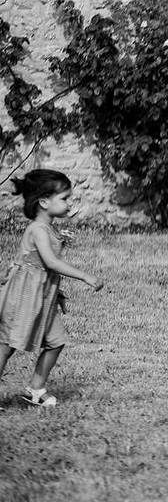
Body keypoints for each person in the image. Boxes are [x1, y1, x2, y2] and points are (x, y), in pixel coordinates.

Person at [0, 169, 102, 408]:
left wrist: (57, 293)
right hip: (24, 296)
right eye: (64, 198)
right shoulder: (37, 229)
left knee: (56, 340)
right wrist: (85, 276)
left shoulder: (49, 228)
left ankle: (36, 388)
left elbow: (48, 269)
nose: (69, 203)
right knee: (6, 345)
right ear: (44, 202)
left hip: (42, 297)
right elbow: (51, 262)